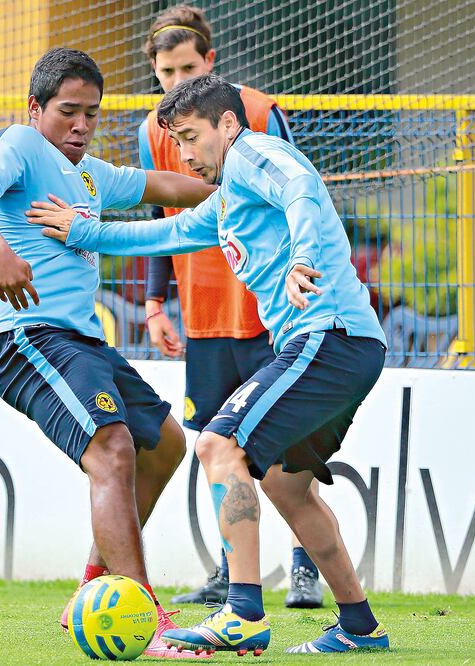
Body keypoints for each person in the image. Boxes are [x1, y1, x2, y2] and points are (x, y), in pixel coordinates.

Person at [27, 74, 390, 655]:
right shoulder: (226, 203)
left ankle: (242, 613)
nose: (185, 155)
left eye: (192, 138)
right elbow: (165, 233)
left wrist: (302, 256)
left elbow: (301, 185)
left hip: (330, 337)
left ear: (226, 124)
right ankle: (360, 627)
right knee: (286, 486)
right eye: (177, 143)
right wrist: (82, 231)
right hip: (342, 346)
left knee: (218, 444)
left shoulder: (252, 153)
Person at [0, 48, 217, 660]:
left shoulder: (91, 175)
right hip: (29, 338)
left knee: (165, 445)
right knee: (112, 449)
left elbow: (164, 185)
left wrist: (232, 182)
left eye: (91, 114)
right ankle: (145, 619)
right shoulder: (20, 143)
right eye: (68, 111)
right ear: (35, 108)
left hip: (84, 344)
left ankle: (95, 587)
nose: (80, 125)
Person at [138, 4, 322, 610]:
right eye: (166, 71)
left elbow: (299, 190)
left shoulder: (259, 112)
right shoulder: (152, 131)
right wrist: (155, 302)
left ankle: (304, 567)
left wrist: (302, 273)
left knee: (288, 445)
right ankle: (230, 570)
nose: (175, 80)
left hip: (270, 310)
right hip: (204, 314)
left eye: (187, 68)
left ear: (210, 61)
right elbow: (162, 215)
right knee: (217, 444)